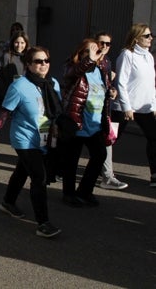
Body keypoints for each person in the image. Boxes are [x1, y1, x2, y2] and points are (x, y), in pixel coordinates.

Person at [0, 46, 62, 238]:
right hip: (24, 139)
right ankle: (43, 223)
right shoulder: (19, 86)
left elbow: (56, 110)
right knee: (39, 177)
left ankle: (8, 202)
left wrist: (58, 127)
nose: (43, 65)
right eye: (38, 61)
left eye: (46, 61)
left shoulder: (52, 83)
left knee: (22, 170)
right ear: (28, 65)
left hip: (43, 138)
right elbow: (4, 113)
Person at [59, 39, 113, 207]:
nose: (93, 54)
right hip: (76, 122)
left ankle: (85, 191)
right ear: (80, 53)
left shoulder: (100, 69)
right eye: (88, 51)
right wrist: (89, 58)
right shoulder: (72, 68)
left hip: (94, 124)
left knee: (100, 155)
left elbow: (103, 90)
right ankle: (68, 194)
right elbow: (75, 72)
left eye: (95, 51)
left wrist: (111, 91)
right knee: (72, 160)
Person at [111, 23, 156, 187]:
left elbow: (151, 84)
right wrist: (126, 106)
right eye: (146, 36)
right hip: (125, 107)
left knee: (154, 138)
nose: (150, 38)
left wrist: (154, 105)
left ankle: (154, 175)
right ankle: (104, 172)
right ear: (136, 38)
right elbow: (121, 82)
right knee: (111, 140)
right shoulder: (127, 55)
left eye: (151, 35)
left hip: (144, 108)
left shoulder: (149, 57)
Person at [95, 32, 128, 190]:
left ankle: (107, 177)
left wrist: (112, 90)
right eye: (102, 43)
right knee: (77, 144)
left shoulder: (107, 62)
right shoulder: (87, 61)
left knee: (107, 142)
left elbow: (106, 85)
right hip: (87, 112)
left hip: (104, 110)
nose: (105, 46)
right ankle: (61, 168)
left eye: (108, 44)